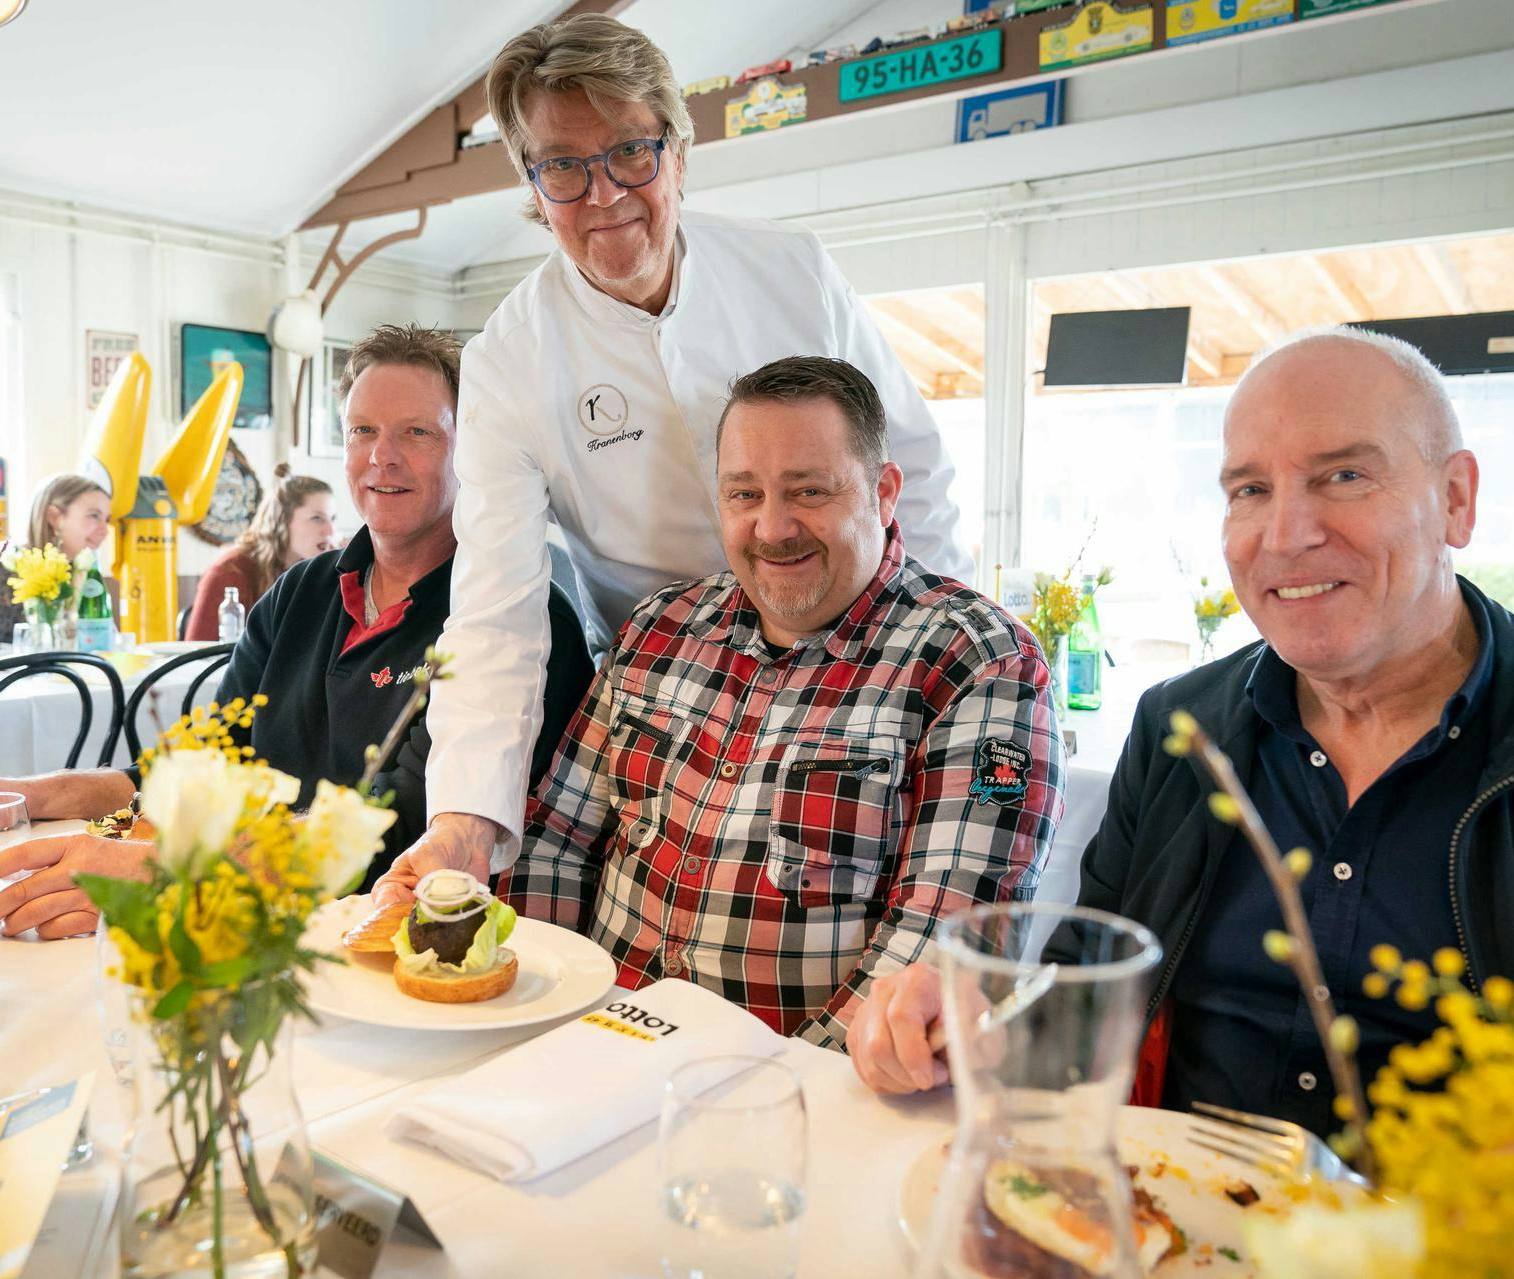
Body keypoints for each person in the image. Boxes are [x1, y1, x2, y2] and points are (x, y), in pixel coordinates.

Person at [847, 328, 1514, 1120]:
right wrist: (971, 1017)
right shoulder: (1178, 732)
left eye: (1343, 475)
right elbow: (1090, 995)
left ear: (1457, 500)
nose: (1286, 533)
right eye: (1248, 489)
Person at [401, 13, 975, 892]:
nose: (603, 195)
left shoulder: (794, 270)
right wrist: (465, 823)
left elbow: (916, 471)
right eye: (562, 166)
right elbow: (495, 614)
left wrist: (947, 666)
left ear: (678, 148)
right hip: (677, 694)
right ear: (531, 181)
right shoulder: (509, 360)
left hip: (860, 653)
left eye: (630, 151)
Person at [378, 356, 1058, 1047]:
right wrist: (542, 1024)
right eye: (744, 494)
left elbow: (939, 942)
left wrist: (768, 1087)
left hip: (795, 1100)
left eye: (810, 491)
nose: (772, 527)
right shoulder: (657, 628)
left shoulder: (981, 662)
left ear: (884, 493)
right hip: (583, 1049)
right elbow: (557, 845)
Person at [0, 324, 594, 939]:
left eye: (417, 432)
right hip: (244, 931)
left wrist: (158, 869)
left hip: (407, 951)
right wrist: (24, 795)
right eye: (362, 430)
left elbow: (391, 840)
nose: (381, 458)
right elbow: (196, 766)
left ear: (471, 447)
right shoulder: (301, 593)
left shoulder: (515, 623)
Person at [0, 473, 111, 646]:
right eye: (94, 516)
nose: (105, 531)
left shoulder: (78, 572)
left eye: (107, 519)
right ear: (54, 517)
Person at [183, 466, 336, 640]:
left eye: (333, 519)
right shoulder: (229, 572)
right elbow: (197, 653)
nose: (330, 530)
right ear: (281, 521)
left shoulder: (312, 573)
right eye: (317, 518)